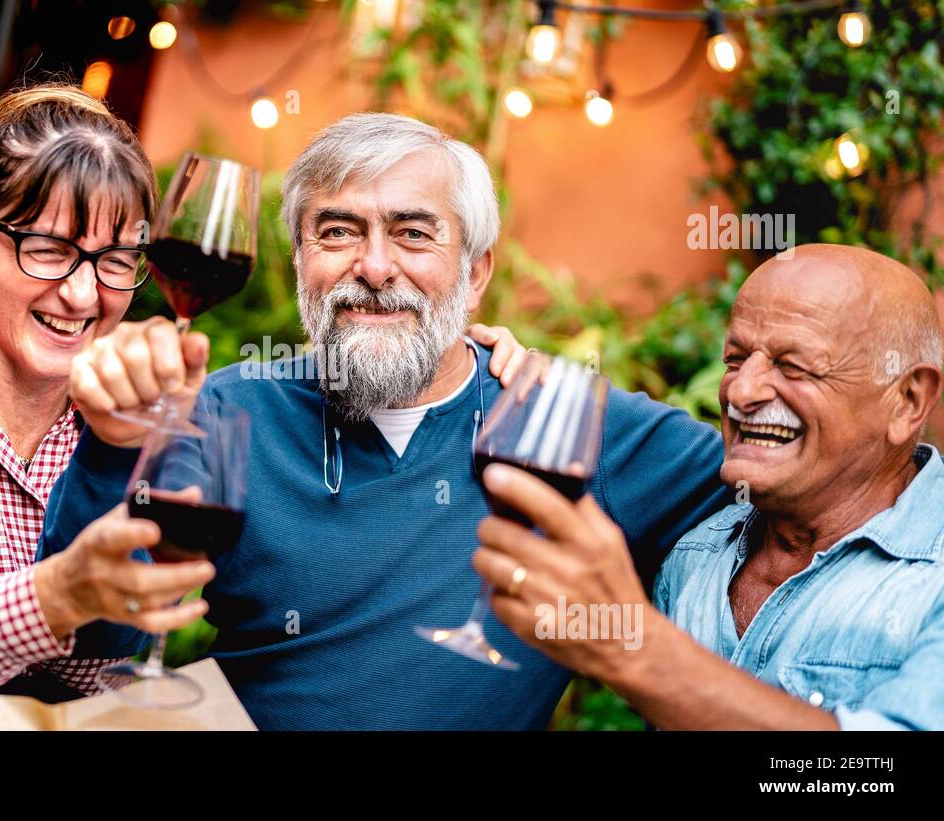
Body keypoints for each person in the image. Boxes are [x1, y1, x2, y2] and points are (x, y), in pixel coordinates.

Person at [0, 83, 526, 706]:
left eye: (115, 261)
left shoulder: (141, 406)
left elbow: (109, 654)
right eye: (47, 249)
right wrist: (58, 595)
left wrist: (455, 350)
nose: (81, 292)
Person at [40, 112, 733, 730]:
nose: (374, 266)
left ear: (476, 273)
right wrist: (112, 448)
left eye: (412, 232)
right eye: (338, 231)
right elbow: (91, 650)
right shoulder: (224, 409)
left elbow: (778, 483)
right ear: (300, 260)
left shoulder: (563, 419)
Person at [475, 244, 944, 730]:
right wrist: (472, 367)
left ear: (907, 400)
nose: (740, 393)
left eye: (794, 366)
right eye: (736, 360)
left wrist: (639, 653)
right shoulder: (697, 551)